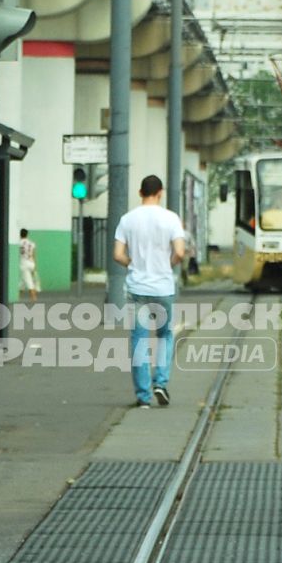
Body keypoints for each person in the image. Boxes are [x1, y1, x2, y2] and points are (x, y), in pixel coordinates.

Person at [113, 175, 185, 408]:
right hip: (163, 287)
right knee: (165, 335)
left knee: (139, 340)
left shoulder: (127, 219)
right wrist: (168, 263)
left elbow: (117, 254)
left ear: (139, 192)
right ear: (160, 192)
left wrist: (132, 264)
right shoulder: (171, 218)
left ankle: (143, 396)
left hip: (137, 288)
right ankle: (160, 383)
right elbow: (180, 253)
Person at [18, 228, 40, 301]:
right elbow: (34, 255)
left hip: (24, 264)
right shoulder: (32, 243)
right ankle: (18, 297)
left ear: (20, 234)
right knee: (23, 282)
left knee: (29, 282)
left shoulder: (19, 243)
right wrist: (35, 266)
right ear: (27, 234)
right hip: (31, 263)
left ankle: (34, 298)